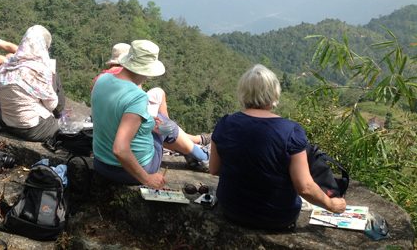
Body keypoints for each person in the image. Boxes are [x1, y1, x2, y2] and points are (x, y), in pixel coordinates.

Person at [209, 64, 347, 230]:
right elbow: (304, 187)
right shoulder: (291, 131)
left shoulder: (225, 124)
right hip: (275, 218)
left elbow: (214, 169)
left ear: (243, 92)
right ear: (274, 93)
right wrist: (332, 205)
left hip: (231, 210)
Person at [91, 40, 210, 189]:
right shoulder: (137, 96)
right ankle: (203, 157)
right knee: (168, 127)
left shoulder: (102, 80)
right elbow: (120, 149)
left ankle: (197, 154)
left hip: (101, 163)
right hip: (128, 171)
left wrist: (148, 124)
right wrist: (147, 179)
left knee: (158, 122)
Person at [93, 43, 210, 147]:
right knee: (165, 126)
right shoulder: (130, 83)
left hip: (109, 122)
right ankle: (195, 142)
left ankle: (191, 140)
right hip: (125, 123)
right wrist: (152, 123)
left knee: (159, 96)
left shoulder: (102, 78)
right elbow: (120, 148)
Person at [0, 25, 63, 142]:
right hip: (31, 128)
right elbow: (51, 105)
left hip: (6, 123)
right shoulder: (38, 70)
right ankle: (61, 115)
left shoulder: (6, 65)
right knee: (68, 129)